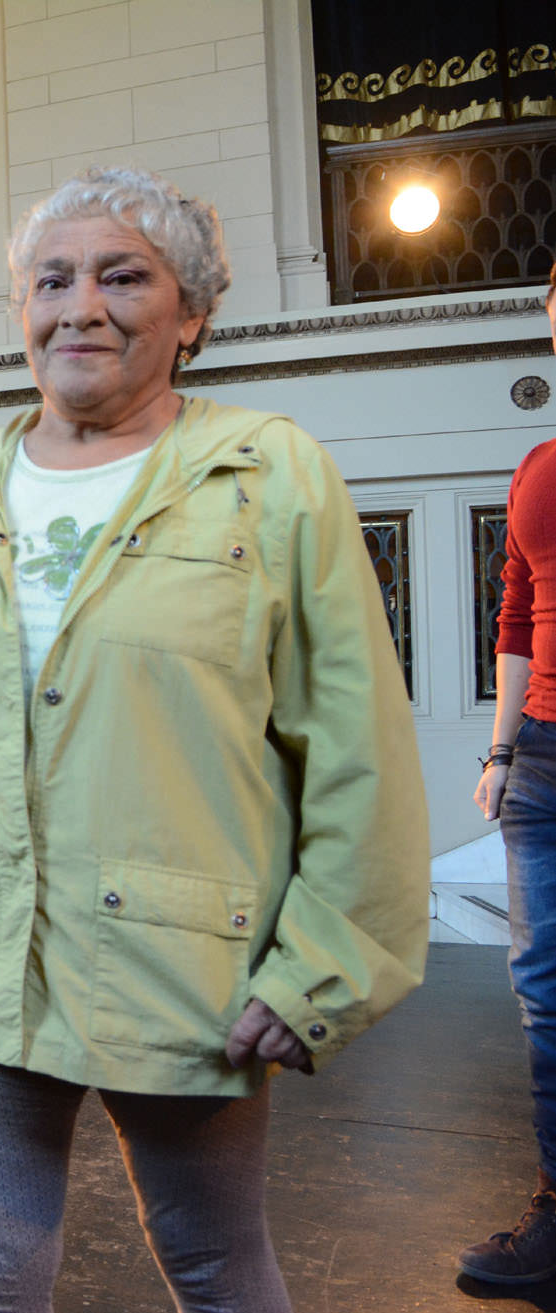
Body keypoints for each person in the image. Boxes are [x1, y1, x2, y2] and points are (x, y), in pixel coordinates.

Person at [0, 167, 429, 1309]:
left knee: (217, 1264)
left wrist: (323, 967)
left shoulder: (272, 474)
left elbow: (356, 746)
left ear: (189, 313)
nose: (79, 305)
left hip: (190, 965)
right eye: (52, 279)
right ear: (20, 312)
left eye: (121, 276)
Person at [464, 264, 556, 1284]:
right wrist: (499, 751)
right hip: (540, 760)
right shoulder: (536, 465)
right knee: (544, 995)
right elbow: (517, 618)